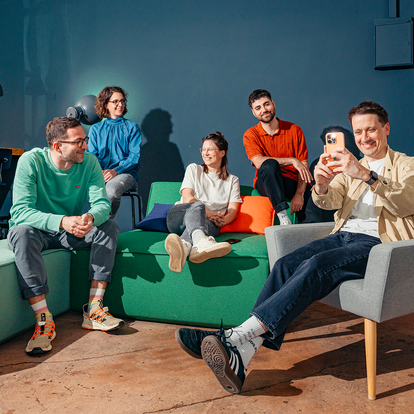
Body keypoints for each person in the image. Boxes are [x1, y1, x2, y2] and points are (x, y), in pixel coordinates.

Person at [175, 101, 414, 394]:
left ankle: (234, 337)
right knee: (285, 264)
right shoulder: (350, 165)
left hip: (379, 245)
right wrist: (322, 184)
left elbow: (408, 201)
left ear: (386, 129)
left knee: (316, 265)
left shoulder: (406, 165)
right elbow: (329, 201)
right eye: (358, 132)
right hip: (343, 235)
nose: (364, 138)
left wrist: (366, 175)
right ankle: (241, 353)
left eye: (371, 130)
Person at [8, 117, 124, 355]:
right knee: (21, 232)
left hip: (68, 232)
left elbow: (102, 205)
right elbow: (20, 212)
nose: (85, 146)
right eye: (78, 141)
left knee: (109, 226)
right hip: (36, 231)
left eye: (85, 139)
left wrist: (90, 217)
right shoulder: (31, 161)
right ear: (57, 146)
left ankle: (94, 309)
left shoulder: (89, 162)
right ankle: (43, 320)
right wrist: (61, 221)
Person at [165, 132, 242, 273]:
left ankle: (185, 247)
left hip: (209, 223)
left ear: (222, 153)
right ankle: (203, 242)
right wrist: (211, 213)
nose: (205, 153)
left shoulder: (232, 180)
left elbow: (233, 211)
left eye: (210, 149)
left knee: (206, 224)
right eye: (203, 149)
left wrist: (222, 221)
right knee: (198, 205)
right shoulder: (194, 169)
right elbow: (187, 197)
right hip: (179, 217)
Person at [243, 89, 312, 224]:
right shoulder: (250, 134)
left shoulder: (294, 129)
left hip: (290, 182)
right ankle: (283, 217)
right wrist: (292, 160)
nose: (264, 110)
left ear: (273, 104)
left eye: (266, 104)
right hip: (266, 182)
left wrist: (299, 194)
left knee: (313, 214)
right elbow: (258, 162)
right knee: (269, 164)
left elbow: (303, 165)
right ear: (253, 112)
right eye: (258, 108)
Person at [88, 86, 142, 218]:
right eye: (115, 101)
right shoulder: (96, 129)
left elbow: (134, 157)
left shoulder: (132, 127)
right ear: (106, 104)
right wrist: (100, 172)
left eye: (122, 101)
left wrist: (115, 171)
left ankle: (102, 222)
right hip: (101, 174)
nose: (120, 104)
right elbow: (92, 156)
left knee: (111, 190)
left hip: (126, 174)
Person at [303, 125, 361, 223]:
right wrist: (321, 186)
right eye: (330, 141)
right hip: (323, 212)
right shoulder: (320, 164)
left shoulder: (361, 164)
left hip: (351, 209)